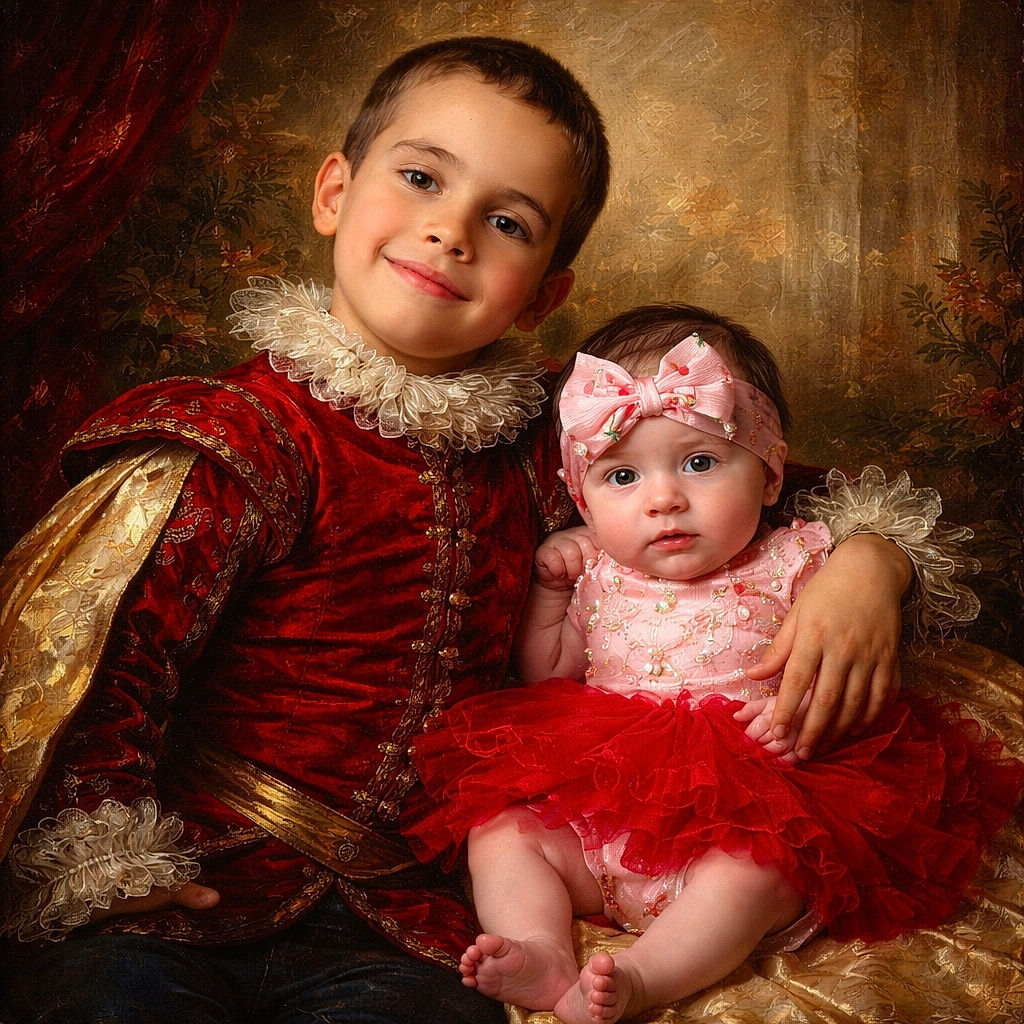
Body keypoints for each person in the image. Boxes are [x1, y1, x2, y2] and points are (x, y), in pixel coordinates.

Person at [0, 36, 931, 1024]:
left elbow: (752, 481)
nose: (450, 233)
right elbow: (104, 661)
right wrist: (105, 860)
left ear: (544, 293)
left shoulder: (558, 436)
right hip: (192, 888)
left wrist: (870, 563)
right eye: (420, 178)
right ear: (333, 193)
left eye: (507, 221)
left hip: (406, 921)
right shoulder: (239, 437)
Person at [405, 304, 1024, 1024]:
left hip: (752, 805)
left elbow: (844, 662)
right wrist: (550, 592)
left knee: (760, 869)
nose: (664, 499)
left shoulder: (801, 560)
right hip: (602, 811)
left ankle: (644, 975)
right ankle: (540, 948)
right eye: (622, 476)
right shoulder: (598, 571)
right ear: (583, 500)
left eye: (699, 463)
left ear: (770, 475)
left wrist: (804, 709)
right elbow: (551, 675)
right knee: (502, 830)